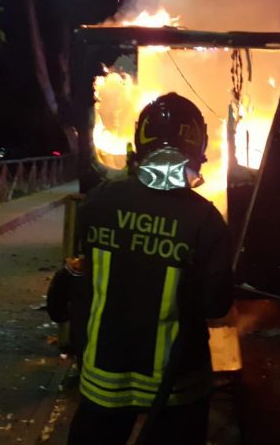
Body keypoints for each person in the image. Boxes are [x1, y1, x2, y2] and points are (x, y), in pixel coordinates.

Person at [68, 92, 234, 445]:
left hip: (103, 373)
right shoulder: (205, 219)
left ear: (138, 145)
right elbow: (215, 306)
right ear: (196, 151)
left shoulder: (98, 202)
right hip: (176, 383)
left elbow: (84, 276)